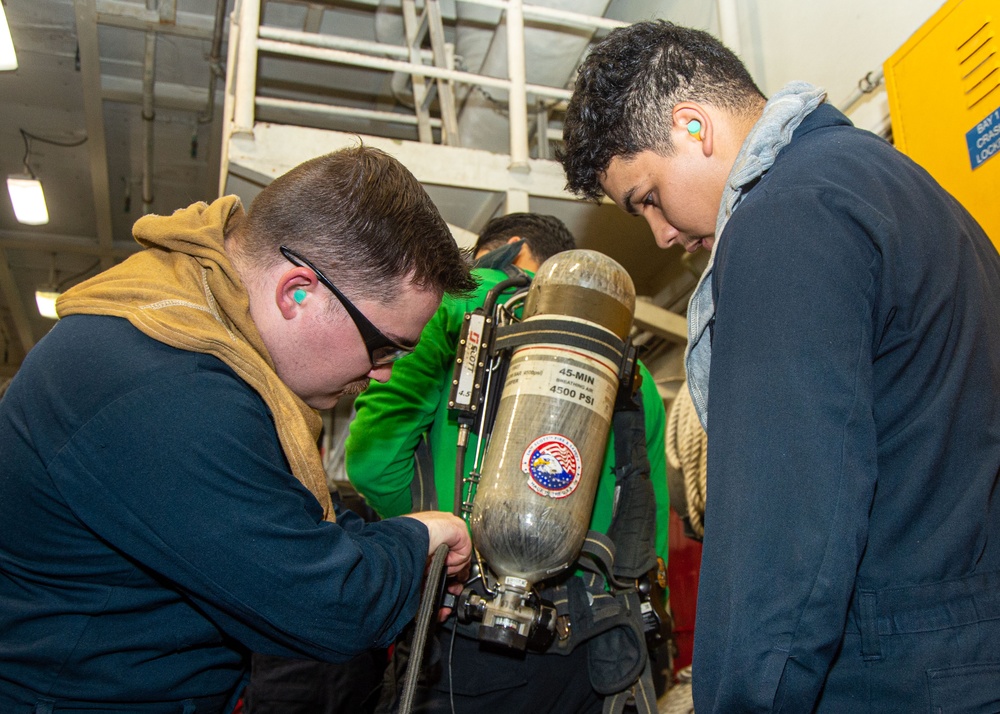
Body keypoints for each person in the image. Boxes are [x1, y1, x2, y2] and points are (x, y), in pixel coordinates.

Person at [560, 19, 1000, 713]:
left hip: (887, 675)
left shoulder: (786, 219)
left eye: (646, 197)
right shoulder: (908, 191)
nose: (662, 233)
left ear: (693, 127)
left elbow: (787, 533)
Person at [0, 145, 476, 713]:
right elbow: (328, 606)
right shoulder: (168, 385)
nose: (382, 374)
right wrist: (420, 538)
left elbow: (280, 516)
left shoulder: (191, 342)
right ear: (298, 292)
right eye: (383, 346)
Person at [346, 212, 672, 713]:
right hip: (593, 655)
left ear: (510, 252)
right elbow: (645, 537)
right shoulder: (634, 374)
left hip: (473, 643)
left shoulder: (456, 317)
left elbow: (373, 463)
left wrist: (444, 544)